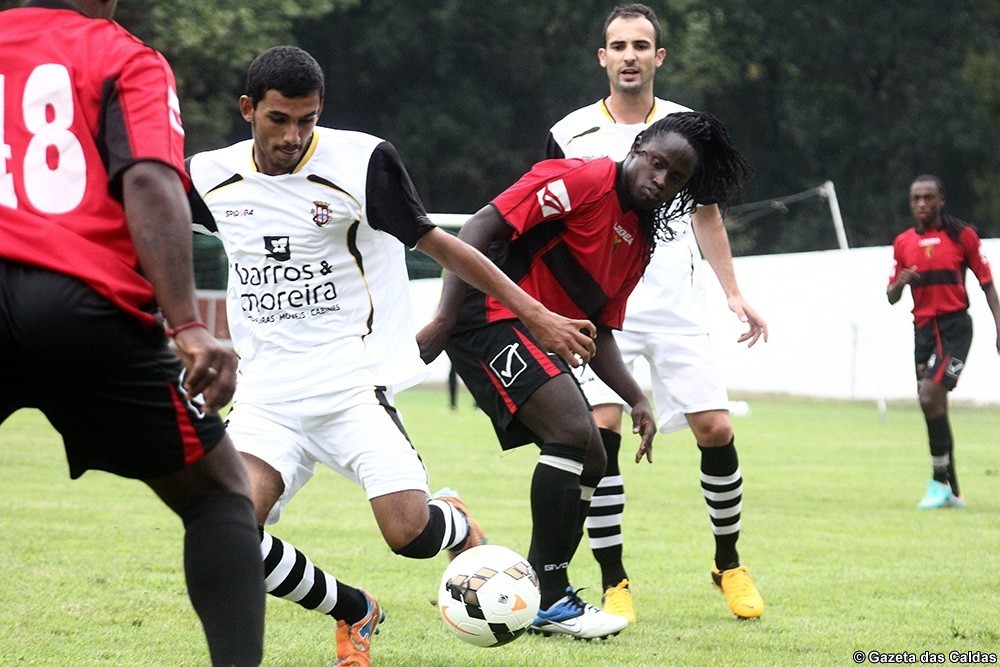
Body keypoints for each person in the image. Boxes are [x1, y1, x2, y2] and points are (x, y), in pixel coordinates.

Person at [185, 46, 597, 667]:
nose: (294, 136)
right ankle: (354, 609)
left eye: (308, 120)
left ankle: (452, 520)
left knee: (410, 536)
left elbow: (445, 245)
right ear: (248, 110)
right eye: (279, 120)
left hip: (354, 387)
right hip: (267, 401)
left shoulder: (362, 163)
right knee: (232, 535)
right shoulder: (208, 176)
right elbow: (143, 224)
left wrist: (536, 314)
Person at [418, 110, 751, 639]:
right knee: (574, 433)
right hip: (483, 315)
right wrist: (442, 317)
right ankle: (547, 595)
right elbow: (481, 225)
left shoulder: (638, 244)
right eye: (656, 163)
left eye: (676, 177)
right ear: (638, 146)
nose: (659, 180)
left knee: (594, 454)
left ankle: (543, 590)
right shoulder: (583, 177)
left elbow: (599, 331)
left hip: (527, 332)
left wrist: (637, 398)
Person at [0, 1, 265, 665]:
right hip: (78, 303)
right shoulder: (124, 56)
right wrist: (187, 325)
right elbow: (148, 176)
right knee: (218, 494)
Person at [544, 3, 768, 622]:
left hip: (676, 307)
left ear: (658, 57)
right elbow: (550, 218)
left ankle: (728, 564)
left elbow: (706, 213)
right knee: (602, 430)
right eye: (618, 46)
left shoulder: (688, 128)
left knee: (716, 429)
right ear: (603, 57)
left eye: (642, 46)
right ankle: (614, 580)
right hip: (598, 311)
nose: (630, 56)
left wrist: (732, 291)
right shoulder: (569, 132)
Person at [887, 174, 1000, 509]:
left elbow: (987, 284)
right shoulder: (903, 242)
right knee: (933, 405)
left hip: (955, 328)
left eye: (928, 197)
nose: (922, 204)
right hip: (922, 332)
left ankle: (939, 482)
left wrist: (999, 325)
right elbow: (891, 296)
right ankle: (953, 490)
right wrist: (901, 283)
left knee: (928, 396)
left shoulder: (962, 235)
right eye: (916, 199)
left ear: (941, 200)